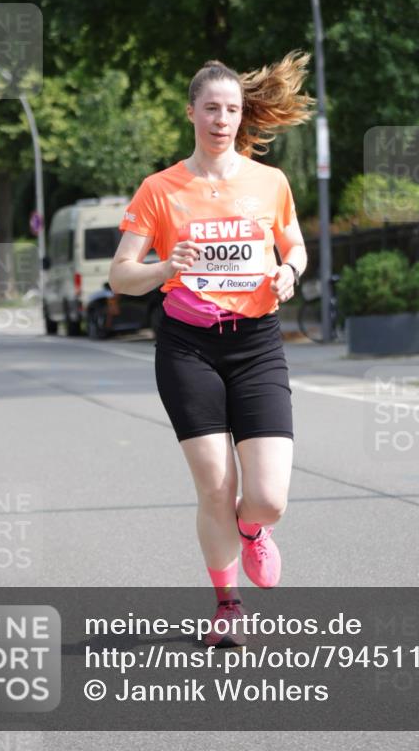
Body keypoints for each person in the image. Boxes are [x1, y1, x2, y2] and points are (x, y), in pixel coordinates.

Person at [109, 51, 313, 647]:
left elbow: (295, 246)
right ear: (192, 112)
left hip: (256, 344)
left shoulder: (269, 183)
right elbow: (121, 275)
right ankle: (228, 606)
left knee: (268, 499)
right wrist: (164, 265)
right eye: (212, 108)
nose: (222, 119)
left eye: (232, 109)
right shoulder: (161, 189)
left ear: (241, 114)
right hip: (187, 347)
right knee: (216, 489)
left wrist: (290, 274)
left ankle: (254, 533)